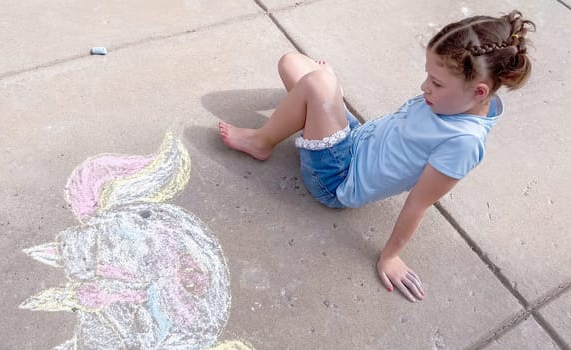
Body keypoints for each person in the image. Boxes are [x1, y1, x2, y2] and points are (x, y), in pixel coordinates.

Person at [219, 10, 535, 302]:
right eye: (428, 75)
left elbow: (418, 203)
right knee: (291, 62)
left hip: (336, 177)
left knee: (316, 82)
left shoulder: (462, 143)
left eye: (436, 83)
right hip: (354, 138)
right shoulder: (455, 100)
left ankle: (262, 141)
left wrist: (391, 256)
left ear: (479, 92)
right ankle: (324, 99)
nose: (424, 86)